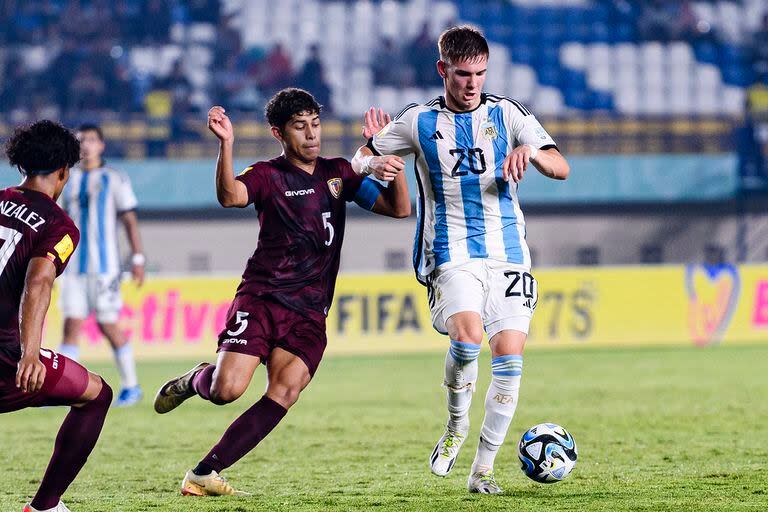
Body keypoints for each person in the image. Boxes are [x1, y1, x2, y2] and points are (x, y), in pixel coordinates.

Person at [153, 88, 410, 496]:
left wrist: (392, 164)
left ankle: (204, 473)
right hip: (263, 299)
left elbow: (398, 210)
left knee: (285, 391)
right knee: (226, 391)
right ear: (278, 132)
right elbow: (229, 197)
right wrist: (226, 144)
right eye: (299, 127)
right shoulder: (267, 175)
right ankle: (195, 380)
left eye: (316, 124)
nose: (311, 135)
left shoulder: (339, 172)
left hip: (310, 311)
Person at [351, 25, 570, 494]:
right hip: (450, 252)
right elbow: (358, 158)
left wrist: (531, 153)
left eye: (481, 73)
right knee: (468, 339)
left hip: (509, 251)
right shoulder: (417, 121)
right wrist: (374, 164)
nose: (473, 83)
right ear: (442, 70)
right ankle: (455, 427)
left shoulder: (507, 114)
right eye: (463, 73)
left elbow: (561, 166)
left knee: (510, 356)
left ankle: (482, 471)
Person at [1, 120, 113, 512]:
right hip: (3, 358)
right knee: (97, 395)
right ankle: (45, 506)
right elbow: (38, 284)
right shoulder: (58, 225)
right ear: (65, 171)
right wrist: (29, 354)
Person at [57, 123, 145, 407]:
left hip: (106, 267)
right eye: (81, 140)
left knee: (109, 325)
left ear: (101, 145)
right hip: (73, 268)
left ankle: (131, 386)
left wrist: (137, 258)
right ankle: (64, 389)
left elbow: (129, 220)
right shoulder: (66, 179)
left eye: (91, 140)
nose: (85, 145)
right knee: (71, 326)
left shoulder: (115, 178)